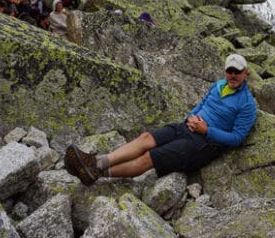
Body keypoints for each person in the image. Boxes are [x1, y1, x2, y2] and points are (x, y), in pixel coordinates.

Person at [64, 54, 256, 185]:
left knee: (149, 158)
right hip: (188, 127)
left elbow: (237, 138)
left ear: (245, 73)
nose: (233, 75)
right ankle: (96, 162)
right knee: (146, 138)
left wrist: (206, 131)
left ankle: (96, 173)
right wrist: (191, 117)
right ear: (225, 72)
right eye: (229, 71)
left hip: (203, 144)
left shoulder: (247, 104)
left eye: (237, 72)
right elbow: (201, 104)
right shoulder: (219, 84)